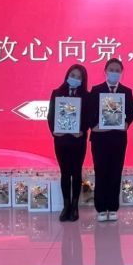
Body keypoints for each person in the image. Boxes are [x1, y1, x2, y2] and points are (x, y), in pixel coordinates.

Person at [89, 58, 133, 222]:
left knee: (116, 171)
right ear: (105, 71)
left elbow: (131, 113)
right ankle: (101, 207)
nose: (114, 73)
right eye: (111, 70)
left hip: (118, 138)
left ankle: (113, 207)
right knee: (101, 171)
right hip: (100, 138)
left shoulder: (126, 91)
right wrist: (94, 126)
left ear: (121, 73)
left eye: (117, 71)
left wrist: (126, 124)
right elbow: (89, 111)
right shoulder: (96, 90)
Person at [47, 64, 89, 222]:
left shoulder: (86, 96)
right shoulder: (57, 93)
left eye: (79, 77)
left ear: (83, 80)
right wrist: (54, 131)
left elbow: (89, 116)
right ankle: (66, 206)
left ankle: (75, 206)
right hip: (61, 140)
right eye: (73, 75)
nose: (75, 79)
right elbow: (51, 115)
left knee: (76, 172)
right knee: (65, 173)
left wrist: (82, 130)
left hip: (78, 140)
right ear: (67, 76)